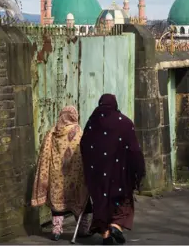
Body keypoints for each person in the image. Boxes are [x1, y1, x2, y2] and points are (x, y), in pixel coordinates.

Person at [80, 94, 146, 245]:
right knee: (122, 200)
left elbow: (84, 144)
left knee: (101, 202)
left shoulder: (92, 121)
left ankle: (105, 235)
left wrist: (90, 165)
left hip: (97, 173)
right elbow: (134, 150)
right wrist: (138, 169)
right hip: (119, 172)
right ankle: (116, 226)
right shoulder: (124, 123)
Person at [31, 106, 92, 241]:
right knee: (81, 200)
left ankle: (57, 230)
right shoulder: (79, 132)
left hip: (58, 176)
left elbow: (45, 154)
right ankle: (82, 229)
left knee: (57, 204)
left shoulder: (52, 133)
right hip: (76, 176)